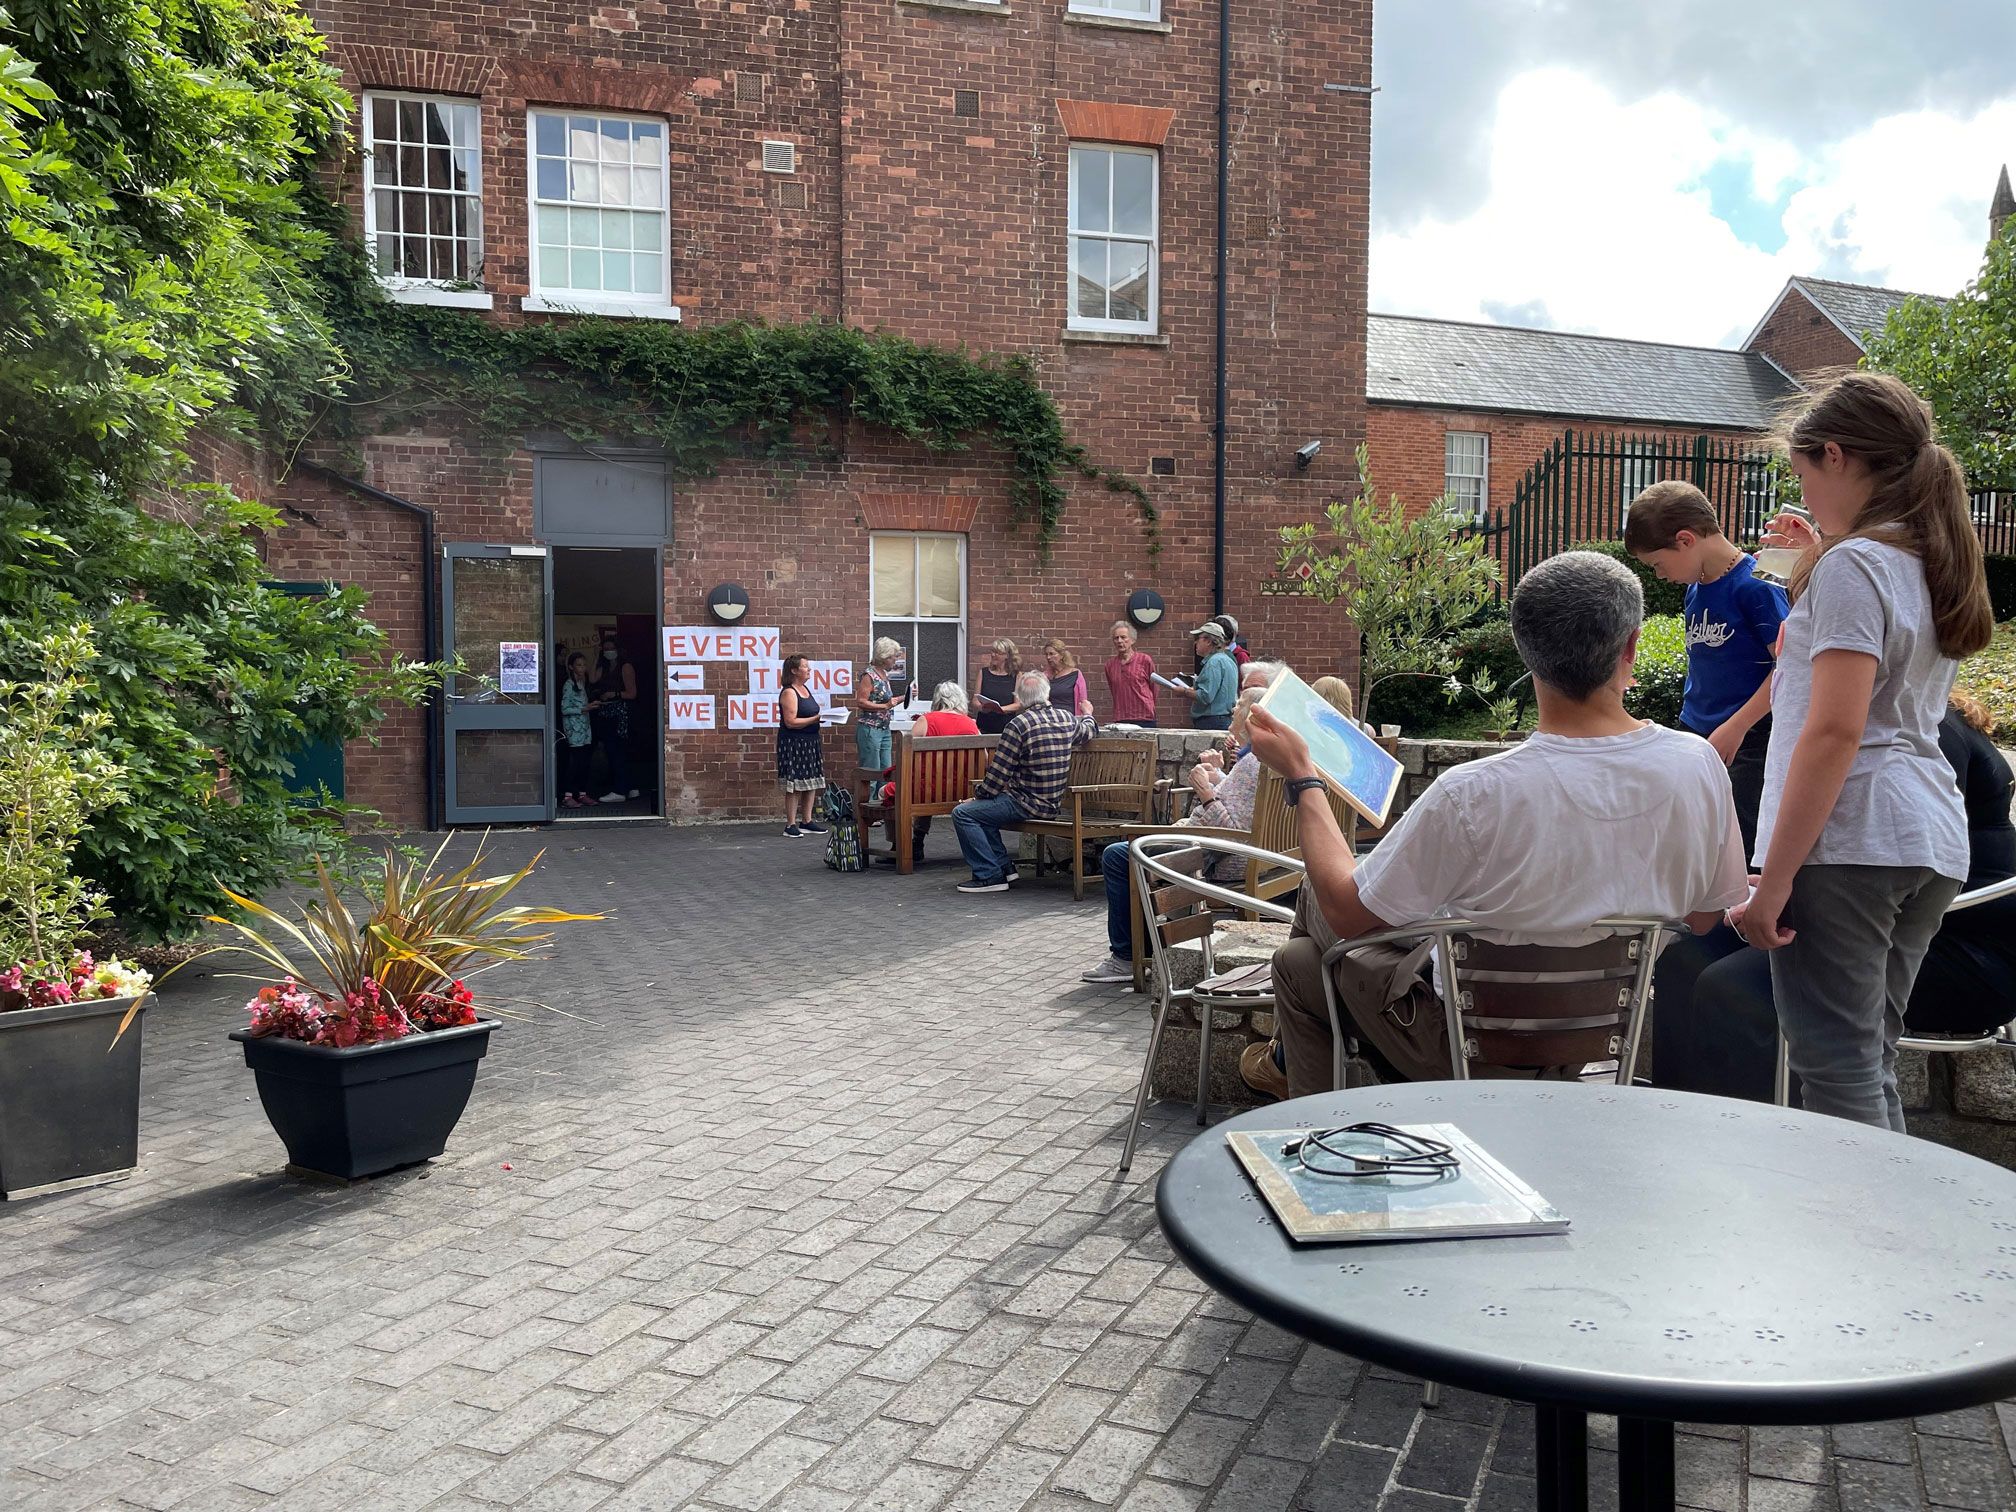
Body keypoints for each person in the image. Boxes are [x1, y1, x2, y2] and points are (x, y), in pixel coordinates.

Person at [1239, 550, 1749, 1099]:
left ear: (1525, 651)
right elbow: (1702, 918)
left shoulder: (1473, 793)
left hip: (1466, 1048)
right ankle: (1291, 1078)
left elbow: (1346, 914)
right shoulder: (1699, 766)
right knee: (1300, 957)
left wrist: (1302, 776)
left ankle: (1311, 1124)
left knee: (1310, 927)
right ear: (1631, 646)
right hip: (1597, 1042)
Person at [1725, 372, 1995, 1131]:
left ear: (1836, 457)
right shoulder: (1922, 561)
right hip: (1926, 839)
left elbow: (1835, 730)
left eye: (1803, 475)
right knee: (1867, 1062)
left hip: (1850, 843)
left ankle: (1858, 1246)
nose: (1803, 495)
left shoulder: (1856, 565)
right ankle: (1893, 1238)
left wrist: (1772, 880)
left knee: (1837, 1073)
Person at [1655, 694, 2016, 1104]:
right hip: (1882, 914)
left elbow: (1896, 871)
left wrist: (1781, 893)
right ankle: (1680, 1111)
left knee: (1733, 986)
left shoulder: (1922, 739)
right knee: (1686, 953)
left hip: (1966, 953)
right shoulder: (1895, 721)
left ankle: (1751, 1138)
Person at [1085, 679, 1348, 985]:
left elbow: (1231, 832)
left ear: (1255, 715)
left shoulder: (1254, 762)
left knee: (1121, 854)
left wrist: (1206, 793)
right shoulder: (1281, 760)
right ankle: (1149, 950)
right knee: (1144, 848)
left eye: (1239, 704)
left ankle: (1126, 957)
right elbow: (1246, 804)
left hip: (1229, 857)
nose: (1234, 708)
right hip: (1268, 858)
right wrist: (1221, 777)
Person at [1624, 480, 1790, 855]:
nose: (1659, 575)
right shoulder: (1696, 587)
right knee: (1695, 842)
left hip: (1748, 738)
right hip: (1699, 730)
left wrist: (1737, 726)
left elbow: (1788, 669)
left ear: (1685, 540)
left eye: (1657, 564)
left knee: (1738, 842)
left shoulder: (1758, 586)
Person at [951, 670, 1081, 893]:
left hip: (1025, 803)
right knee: (981, 812)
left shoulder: (1018, 725)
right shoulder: (1066, 718)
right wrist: (1087, 714)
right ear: (1046, 692)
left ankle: (989, 876)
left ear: (1020, 698)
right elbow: (1089, 729)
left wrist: (978, 796)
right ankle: (1004, 867)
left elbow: (998, 775)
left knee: (963, 813)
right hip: (1052, 805)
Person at [776, 654, 828, 837]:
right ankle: (790, 825)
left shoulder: (805, 689)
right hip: (794, 743)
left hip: (810, 741)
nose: (809, 669)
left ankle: (807, 821)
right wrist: (816, 719)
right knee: (795, 783)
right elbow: (790, 722)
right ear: (794, 670)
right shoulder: (789, 692)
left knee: (811, 781)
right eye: (805, 666)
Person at [588, 629, 639, 803]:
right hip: (606, 712)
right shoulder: (604, 667)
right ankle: (629, 787)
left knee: (618, 750)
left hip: (619, 713)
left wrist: (613, 694)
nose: (608, 652)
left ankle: (621, 789)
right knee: (614, 750)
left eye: (611, 648)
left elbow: (632, 693)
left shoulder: (625, 667)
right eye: (605, 649)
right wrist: (596, 656)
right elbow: (593, 679)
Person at [856, 637, 902, 773]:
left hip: (884, 728)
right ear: (884, 657)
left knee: (885, 771)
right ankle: (869, 795)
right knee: (871, 771)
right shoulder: (869, 675)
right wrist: (885, 706)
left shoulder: (884, 674)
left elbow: (888, 701)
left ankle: (881, 795)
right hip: (870, 728)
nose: (895, 660)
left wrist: (906, 697)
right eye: (893, 657)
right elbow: (861, 701)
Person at [559, 653, 598, 808]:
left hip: (584, 728)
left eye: (584, 665)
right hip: (574, 730)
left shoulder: (581, 684)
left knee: (584, 763)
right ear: (571, 667)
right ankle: (568, 795)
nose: (582, 668)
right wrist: (584, 708)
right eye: (579, 665)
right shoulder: (569, 685)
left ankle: (582, 793)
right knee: (575, 763)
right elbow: (564, 708)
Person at [1104, 622, 1158, 726]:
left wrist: (1150, 705)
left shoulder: (1144, 660)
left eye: (1123, 637)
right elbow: (1113, 689)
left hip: (1144, 716)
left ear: (1132, 640)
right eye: (1116, 638)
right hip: (1121, 717)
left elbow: (1154, 687)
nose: (1119, 641)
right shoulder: (1110, 665)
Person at [1187, 621, 1239, 730]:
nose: (1195, 643)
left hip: (1211, 720)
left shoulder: (1214, 662)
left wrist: (1184, 692)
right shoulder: (1228, 660)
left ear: (1208, 641)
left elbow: (1206, 696)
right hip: (1225, 718)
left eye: (1198, 638)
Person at [974, 639, 1022, 734]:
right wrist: (981, 708)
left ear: (1007, 656)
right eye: (992, 651)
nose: (993, 655)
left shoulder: (1016, 675)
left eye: (997, 653)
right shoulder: (983, 673)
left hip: (1007, 727)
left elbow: (1018, 704)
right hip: (984, 725)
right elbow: (975, 700)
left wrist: (1001, 709)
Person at [1042, 639, 1095, 720]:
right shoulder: (1044, 676)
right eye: (1046, 654)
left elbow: (1083, 701)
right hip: (1050, 720)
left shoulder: (1076, 674)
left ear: (1061, 655)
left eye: (1052, 654)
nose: (1048, 657)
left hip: (1071, 720)